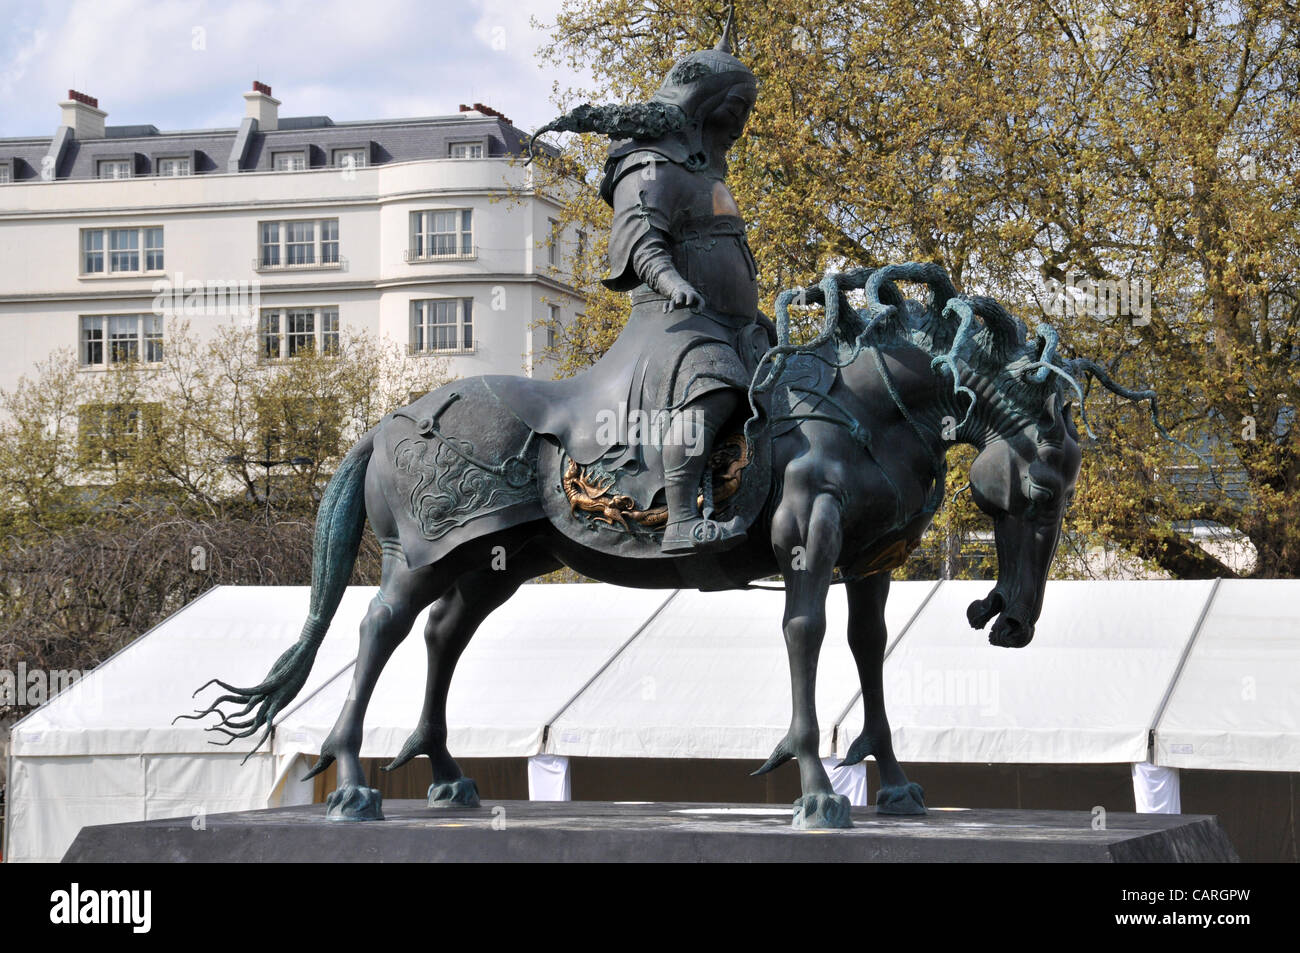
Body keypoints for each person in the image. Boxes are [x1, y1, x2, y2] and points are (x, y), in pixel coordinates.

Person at [531, 21, 762, 554]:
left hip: (734, 327)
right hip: (675, 324)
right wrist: (673, 281)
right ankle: (682, 518)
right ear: (706, 106)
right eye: (736, 114)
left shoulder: (704, 173)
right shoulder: (649, 163)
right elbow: (639, 234)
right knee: (715, 389)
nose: (740, 129)